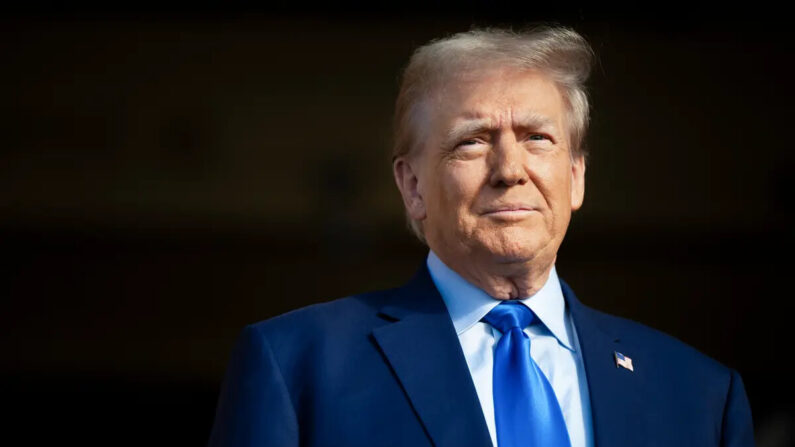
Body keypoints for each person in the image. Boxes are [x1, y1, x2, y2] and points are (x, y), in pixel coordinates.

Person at [208, 26, 755, 447]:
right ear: (413, 184)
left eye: (538, 138)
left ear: (576, 176)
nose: (509, 170)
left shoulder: (700, 393)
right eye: (472, 142)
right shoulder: (298, 365)